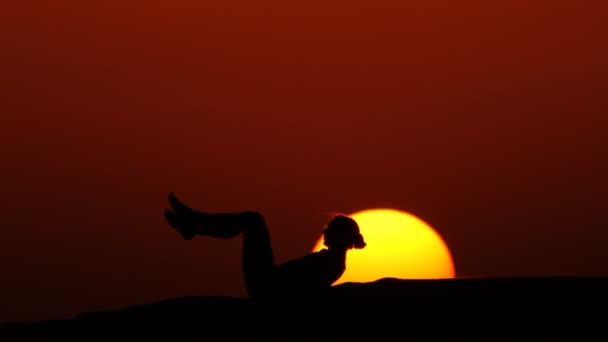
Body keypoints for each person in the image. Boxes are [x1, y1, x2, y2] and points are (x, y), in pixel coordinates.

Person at [163, 192, 366, 297]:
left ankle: (194, 224)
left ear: (340, 236)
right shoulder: (331, 261)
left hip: (266, 285)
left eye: (329, 229)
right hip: (268, 281)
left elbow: (301, 288)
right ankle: (194, 223)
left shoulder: (332, 264)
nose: (324, 232)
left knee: (253, 220)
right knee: (252, 220)